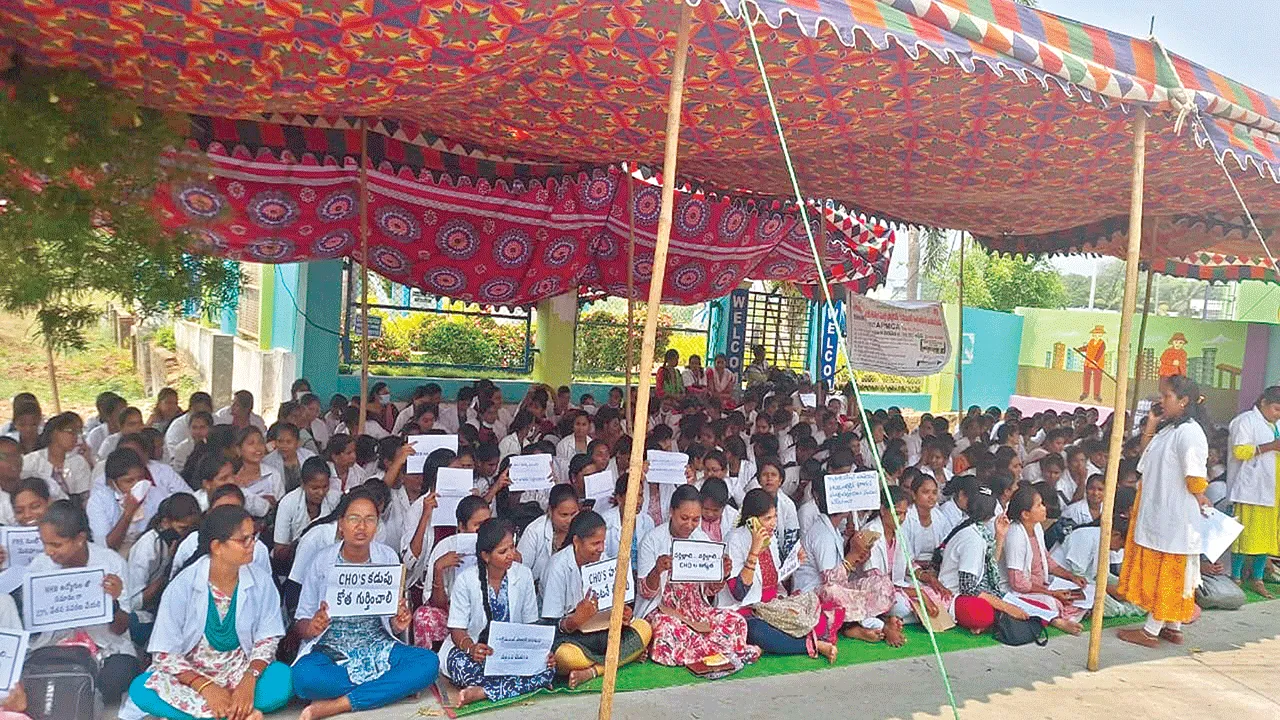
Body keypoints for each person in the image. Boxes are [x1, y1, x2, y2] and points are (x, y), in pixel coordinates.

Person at [128, 505, 293, 720]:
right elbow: (165, 653)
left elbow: (267, 639)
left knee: (282, 679)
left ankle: (215, 713)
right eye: (243, 540)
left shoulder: (261, 581)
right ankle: (237, 713)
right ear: (217, 546)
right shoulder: (182, 586)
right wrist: (206, 687)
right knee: (141, 689)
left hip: (240, 672)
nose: (252, 544)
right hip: (192, 678)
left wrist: (249, 680)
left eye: (253, 537)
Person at [293, 493, 438, 719]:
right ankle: (390, 688)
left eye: (370, 519)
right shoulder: (322, 561)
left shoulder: (387, 557)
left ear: (377, 525)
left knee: (428, 663)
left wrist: (397, 622)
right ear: (341, 524)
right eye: (354, 519)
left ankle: (341, 704)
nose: (361, 526)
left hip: (378, 647)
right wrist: (313, 626)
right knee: (303, 678)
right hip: (332, 651)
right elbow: (300, 621)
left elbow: (392, 621)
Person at [1117, 376, 1213, 648]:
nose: (1161, 400)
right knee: (1168, 571)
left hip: (1174, 516)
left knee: (1168, 573)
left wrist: (1201, 497)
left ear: (1183, 401)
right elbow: (1145, 457)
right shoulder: (1170, 429)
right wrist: (1151, 423)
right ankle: (1173, 627)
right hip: (1159, 512)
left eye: (1167, 396)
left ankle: (1150, 630)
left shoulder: (1190, 432)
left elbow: (1195, 477)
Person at [27, 500, 139, 705]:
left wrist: (113, 603)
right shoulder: (39, 566)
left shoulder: (111, 563)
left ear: (80, 539)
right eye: (44, 543)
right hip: (54, 646)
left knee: (117, 675)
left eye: (56, 545)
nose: (48, 551)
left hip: (106, 646)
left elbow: (121, 628)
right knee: (36, 676)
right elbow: (33, 626)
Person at [637, 485, 759, 670]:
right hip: (664, 611)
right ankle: (716, 650)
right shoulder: (652, 540)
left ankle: (698, 650)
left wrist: (722, 574)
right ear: (672, 512)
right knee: (666, 628)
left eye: (695, 519)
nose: (689, 525)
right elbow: (645, 592)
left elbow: (709, 590)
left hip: (696, 610)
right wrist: (657, 570)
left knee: (736, 621)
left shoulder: (701, 538)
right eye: (684, 518)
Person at [439, 517, 552, 706]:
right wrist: (471, 648)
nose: (511, 555)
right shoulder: (466, 580)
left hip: (512, 654)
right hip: (475, 653)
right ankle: (515, 686)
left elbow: (531, 624)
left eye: (512, 548)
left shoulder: (523, 574)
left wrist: (540, 653)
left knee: (548, 669)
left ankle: (483, 692)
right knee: (464, 667)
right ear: (486, 556)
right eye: (503, 551)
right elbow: (457, 629)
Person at [719, 489, 839, 661]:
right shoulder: (735, 540)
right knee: (756, 631)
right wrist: (754, 550)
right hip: (746, 609)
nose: (773, 523)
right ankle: (813, 645)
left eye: (775, 517)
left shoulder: (771, 539)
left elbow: (773, 579)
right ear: (751, 520)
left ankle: (774, 644)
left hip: (772, 606)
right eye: (767, 518)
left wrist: (793, 564)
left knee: (815, 608)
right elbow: (739, 592)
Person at [540, 511, 653, 687]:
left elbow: (613, 603)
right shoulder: (557, 567)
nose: (601, 548)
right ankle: (625, 656)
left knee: (644, 628)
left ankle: (593, 671)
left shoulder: (603, 560)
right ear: (576, 542)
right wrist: (575, 620)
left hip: (603, 632)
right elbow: (549, 625)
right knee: (564, 658)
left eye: (602, 542)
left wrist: (623, 614)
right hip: (573, 639)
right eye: (595, 543)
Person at [793, 474, 895, 643]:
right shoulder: (822, 533)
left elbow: (844, 573)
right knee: (834, 592)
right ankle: (875, 625)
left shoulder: (832, 529)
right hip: (811, 595)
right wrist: (853, 554)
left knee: (881, 582)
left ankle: (860, 625)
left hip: (834, 589)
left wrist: (858, 555)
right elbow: (830, 581)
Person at [937, 485, 1029, 634]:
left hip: (978, 591)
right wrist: (1006, 607)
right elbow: (968, 588)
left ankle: (999, 618)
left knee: (1027, 606)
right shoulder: (972, 537)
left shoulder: (979, 531)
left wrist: (1000, 535)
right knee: (982, 614)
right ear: (991, 513)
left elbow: (989, 565)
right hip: (955, 596)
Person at [1002, 485, 1087, 635]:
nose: (1044, 508)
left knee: (1081, 592)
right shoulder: (1015, 535)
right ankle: (1057, 619)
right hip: (1017, 592)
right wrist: (1051, 593)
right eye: (1039, 505)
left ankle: (1060, 615)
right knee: (1052, 603)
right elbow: (1018, 583)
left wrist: (1071, 576)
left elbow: (1046, 560)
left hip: (1041, 586)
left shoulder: (1036, 527)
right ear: (1025, 514)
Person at [411, 495, 490, 649]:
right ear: (461, 526)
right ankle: (429, 661)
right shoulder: (445, 547)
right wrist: (438, 569)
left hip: (488, 612)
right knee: (423, 617)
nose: (483, 531)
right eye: (477, 525)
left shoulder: (496, 544)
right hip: (454, 614)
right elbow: (437, 605)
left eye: (487, 524)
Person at [125, 493, 202, 646]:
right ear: (166, 523)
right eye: (183, 528)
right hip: (143, 614)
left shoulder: (184, 544)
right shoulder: (147, 547)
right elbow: (134, 602)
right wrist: (166, 576)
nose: (186, 534)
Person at [1226, 386, 1280, 597]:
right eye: (1276, 409)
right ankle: (1236, 577)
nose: (1278, 414)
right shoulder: (1245, 421)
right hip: (1249, 489)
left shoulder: (1276, 424)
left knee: (1265, 537)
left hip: (1271, 489)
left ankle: (1258, 578)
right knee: (1243, 536)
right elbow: (1240, 451)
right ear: (1263, 402)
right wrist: (1271, 446)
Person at [88, 448, 166, 556]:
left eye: (140, 479)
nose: (137, 485)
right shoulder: (99, 501)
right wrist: (129, 512)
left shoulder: (156, 494)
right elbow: (106, 547)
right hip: (115, 555)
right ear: (111, 483)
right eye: (129, 481)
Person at [273, 457, 341, 568]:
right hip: (293, 563)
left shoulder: (336, 499)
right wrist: (302, 544)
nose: (321, 492)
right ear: (303, 484)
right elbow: (279, 550)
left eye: (325, 487)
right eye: (315, 488)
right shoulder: (288, 503)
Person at [517, 484, 580, 593]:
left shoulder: (583, 528)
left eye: (573, 514)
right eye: (564, 515)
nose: (569, 520)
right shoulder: (534, 531)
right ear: (550, 511)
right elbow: (521, 571)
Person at [22, 412, 90, 502]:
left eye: (78, 432)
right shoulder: (31, 461)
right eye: (71, 432)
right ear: (54, 433)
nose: (76, 437)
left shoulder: (78, 462)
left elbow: (84, 496)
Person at [264, 422, 316, 495]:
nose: (284, 446)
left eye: (288, 442)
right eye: (280, 441)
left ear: (298, 443)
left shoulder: (309, 457)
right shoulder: (268, 462)